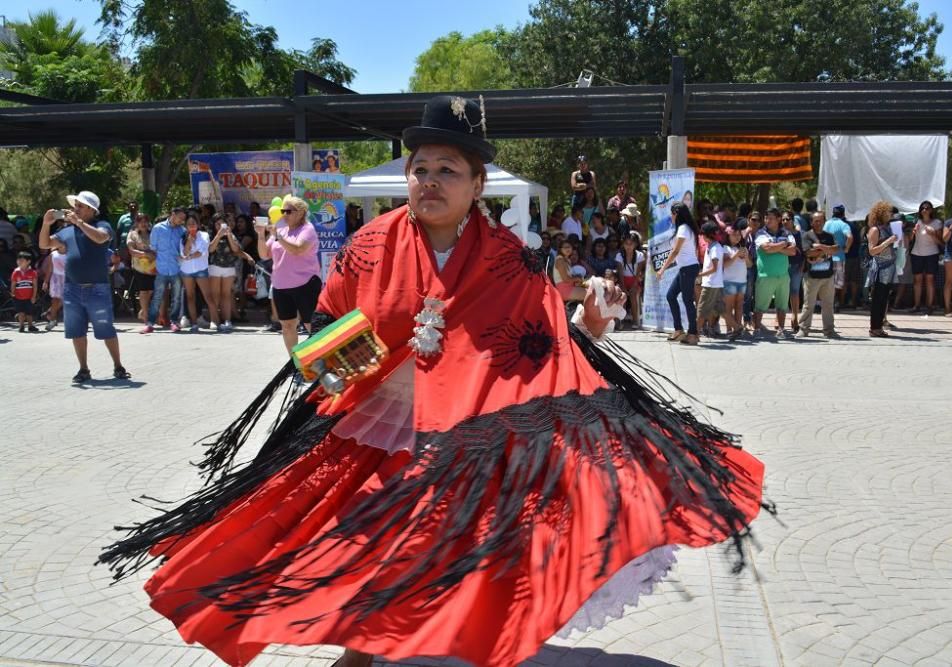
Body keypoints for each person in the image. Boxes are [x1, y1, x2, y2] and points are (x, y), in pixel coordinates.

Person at [102, 95, 765, 667]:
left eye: (448, 169)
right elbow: (323, 331)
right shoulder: (372, 245)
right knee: (360, 539)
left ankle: (460, 637)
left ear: (478, 183)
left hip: (475, 431)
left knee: (469, 544)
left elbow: (544, 345)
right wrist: (341, 360)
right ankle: (362, 649)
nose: (429, 180)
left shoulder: (511, 258)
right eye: (419, 168)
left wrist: (588, 323)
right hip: (380, 423)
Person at [38, 191, 129, 382]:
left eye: (79, 206)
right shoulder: (67, 231)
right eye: (75, 205)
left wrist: (78, 223)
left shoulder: (102, 225)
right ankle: (83, 369)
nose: (74, 209)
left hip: (98, 288)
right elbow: (45, 244)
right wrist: (46, 225)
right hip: (72, 289)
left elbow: (100, 238)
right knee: (76, 331)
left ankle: (118, 366)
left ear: (91, 209)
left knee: (106, 330)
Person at [257, 194, 321, 355]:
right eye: (283, 211)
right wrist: (260, 234)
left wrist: (278, 236)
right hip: (281, 285)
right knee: (287, 326)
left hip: (305, 284)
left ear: (300, 212)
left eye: (288, 211)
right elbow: (264, 254)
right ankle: (296, 365)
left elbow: (298, 249)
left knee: (311, 325)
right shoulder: (281, 228)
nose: (284, 214)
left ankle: (321, 363)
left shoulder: (308, 229)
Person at [656, 203, 700, 343]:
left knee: (687, 300)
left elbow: (675, 251)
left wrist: (662, 269)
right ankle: (679, 330)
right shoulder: (686, 228)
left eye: (672, 213)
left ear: (676, 213)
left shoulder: (683, 229)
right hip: (686, 268)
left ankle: (693, 333)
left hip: (688, 268)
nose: (671, 216)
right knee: (671, 295)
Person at [141, 207, 187, 334]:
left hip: (176, 268)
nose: (182, 221)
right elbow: (153, 248)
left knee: (176, 297)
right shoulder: (158, 228)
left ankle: (174, 322)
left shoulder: (183, 231)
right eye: (180, 218)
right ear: (173, 214)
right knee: (157, 297)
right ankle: (150, 323)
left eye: (183, 219)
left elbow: (184, 249)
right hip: (161, 268)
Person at [752, 208, 796, 337]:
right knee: (760, 306)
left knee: (782, 306)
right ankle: (757, 329)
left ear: (778, 219)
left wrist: (775, 247)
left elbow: (793, 251)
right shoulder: (760, 233)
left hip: (783, 276)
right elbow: (766, 249)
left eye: (770, 218)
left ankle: (781, 329)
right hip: (765, 275)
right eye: (766, 218)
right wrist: (784, 244)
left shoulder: (787, 233)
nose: (767, 220)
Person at [208, 213, 254, 332]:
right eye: (217, 224)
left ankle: (227, 320)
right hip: (215, 267)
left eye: (222, 224)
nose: (219, 226)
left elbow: (236, 249)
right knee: (215, 295)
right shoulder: (210, 235)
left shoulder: (231, 235)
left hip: (229, 267)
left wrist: (228, 235)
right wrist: (218, 235)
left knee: (226, 295)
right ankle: (214, 320)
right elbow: (210, 249)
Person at [696, 221, 738, 342]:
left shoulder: (715, 248)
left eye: (703, 234)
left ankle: (695, 334)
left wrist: (699, 274)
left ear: (707, 235)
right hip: (715, 283)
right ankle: (736, 328)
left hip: (711, 284)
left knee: (701, 309)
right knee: (721, 310)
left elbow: (714, 268)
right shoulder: (713, 246)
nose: (702, 237)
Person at [799, 212, 838, 337]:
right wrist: (826, 251)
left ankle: (829, 330)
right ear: (811, 222)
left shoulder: (829, 236)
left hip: (828, 276)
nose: (818, 223)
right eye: (816, 221)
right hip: (811, 277)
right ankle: (804, 329)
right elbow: (808, 253)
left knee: (828, 305)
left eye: (821, 220)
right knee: (808, 305)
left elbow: (835, 249)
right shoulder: (807, 236)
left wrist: (820, 247)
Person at [178, 214, 216, 333]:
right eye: (189, 224)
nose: (191, 226)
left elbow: (202, 251)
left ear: (198, 224)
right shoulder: (183, 237)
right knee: (190, 297)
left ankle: (214, 321)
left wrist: (188, 256)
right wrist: (189, 242)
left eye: (194, 223)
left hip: (201, 269)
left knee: (208, 296)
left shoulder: (204, 235)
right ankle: (194, 323)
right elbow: (183, 253)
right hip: (186, 270)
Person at [866, 201, 898, 338]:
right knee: (877, 299)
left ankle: (878, 327)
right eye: (888, 212)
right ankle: (874, 328)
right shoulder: (875, 230)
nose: (890, 215)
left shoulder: (889, 228)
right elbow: (872, 251)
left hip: (889, 268)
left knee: (884, 299)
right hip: (879, 269)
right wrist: (888, 242)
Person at [910, 201, 942, 314]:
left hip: (932, 254)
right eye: (922, 208)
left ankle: (929, 306)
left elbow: (941, 242)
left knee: (930, 280)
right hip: (916, 253)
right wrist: (913, 233)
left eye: (927, 208)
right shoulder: (916, 221)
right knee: (917, 280)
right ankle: (916, 305)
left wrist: (933, 234)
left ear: (931, 210)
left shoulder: (937, 223)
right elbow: (910, 239)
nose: (924, 210)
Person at [126, 214, 156, 325]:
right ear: (137, 223)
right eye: (141, 222)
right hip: (139, 267)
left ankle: (143, 310)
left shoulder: (153, 234)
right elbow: (132, 251)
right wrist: (145, 254)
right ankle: (146, 316)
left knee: (151, 290)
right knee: (143, 291)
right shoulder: (132, 235)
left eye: (145, 221)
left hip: (153, 268)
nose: (143, 224)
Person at [722, 225, 750, 339]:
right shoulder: (725, 248)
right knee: (728, 307)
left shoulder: (743, 248)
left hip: (742, 281)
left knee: (739, 306)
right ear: (728, 235)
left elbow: (749, 265)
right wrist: (736, 255)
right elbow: (725, 264)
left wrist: (746, 257)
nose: (737, 237)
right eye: (734, 234)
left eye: (739, 235)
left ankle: (737, 329)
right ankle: (729, 330)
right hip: (729, 281)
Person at [824, 204, 853, 310]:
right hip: (839, 257)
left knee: (826, 280)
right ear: (843, 213)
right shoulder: (843, 225)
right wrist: (846, 248)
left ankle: (825, 302)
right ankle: (835, 302)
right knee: (837, 283)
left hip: (826, 257)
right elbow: (850, 237)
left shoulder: (826, 224)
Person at [782, 210, 805, 333]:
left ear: (792, 220)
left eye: (787, 219)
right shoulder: (780, 234)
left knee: (795, 292)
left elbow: (804, 251)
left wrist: (803, 265)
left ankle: (795, 317)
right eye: (783, 219)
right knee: (782, 292)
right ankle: (779, 318)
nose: (785, 221)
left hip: (796, 265)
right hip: (782, 266)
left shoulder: (799, 234)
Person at [616, 232, 645, 329]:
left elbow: (638, 274)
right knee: (621, 295)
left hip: (634, 281)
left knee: (633, 295)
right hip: (623, 280)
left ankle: (635, 320)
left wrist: (633, 286)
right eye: (626, 243)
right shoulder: (619, 255)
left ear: (635, 244)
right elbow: (620, 274)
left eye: (631, 243)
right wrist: (623, 287)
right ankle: (620, 320)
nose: (628, 246)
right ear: (623, 244)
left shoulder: (640, 255)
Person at [11, 251, 39, 332]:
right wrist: (12, 293)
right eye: (18, 260)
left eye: (22, 260)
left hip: (29, 297)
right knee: (21, 312)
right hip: (18, 296)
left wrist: (34, 296)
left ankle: (30, 325)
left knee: (29, 312)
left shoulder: (33, 272)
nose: (19, 262)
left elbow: (35, 285)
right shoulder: (15, 272)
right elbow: (13, 284)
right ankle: (21, 326)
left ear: (28, 261)